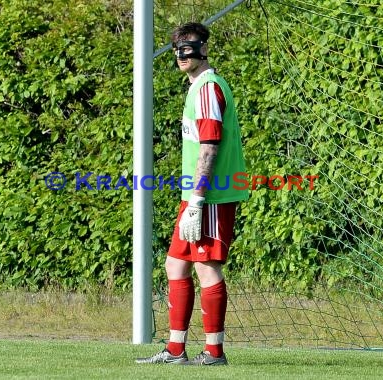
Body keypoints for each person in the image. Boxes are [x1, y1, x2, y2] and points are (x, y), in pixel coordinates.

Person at [135, 22, 248, 366]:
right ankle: (175, 349)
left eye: (190, 46)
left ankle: (214, 352)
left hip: (210, 196)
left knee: (207, 268)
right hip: (196, 195)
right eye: (177, 48)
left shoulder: (207, 88)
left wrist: (197, 201)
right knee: (176, 264)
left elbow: (210, 146)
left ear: (204, 49)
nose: (183, 54)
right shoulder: (197, 87)